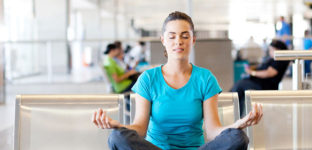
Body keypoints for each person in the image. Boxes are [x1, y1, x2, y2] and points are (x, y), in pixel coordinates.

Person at [92, 11, 263, 150]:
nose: (178, 42)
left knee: (238, 137)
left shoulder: (205, 78)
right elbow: (139, 129)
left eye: (184, 36)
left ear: (193, 40)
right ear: (163, 40)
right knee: (117, 137)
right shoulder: (148, 79)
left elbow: (212, 132)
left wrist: (238, 124)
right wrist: (118, 125)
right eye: (172, 36)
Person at [231, 40, 290, 117]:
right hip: (258, 82)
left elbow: (269, 73)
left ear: (279, 50)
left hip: (264, 85)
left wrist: (252, 73)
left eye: (272, 50)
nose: (270, 52)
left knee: (239, 86)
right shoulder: (272, 59)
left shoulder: (279, 60)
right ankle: (235, 114)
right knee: (238, 88)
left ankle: (235, 115)